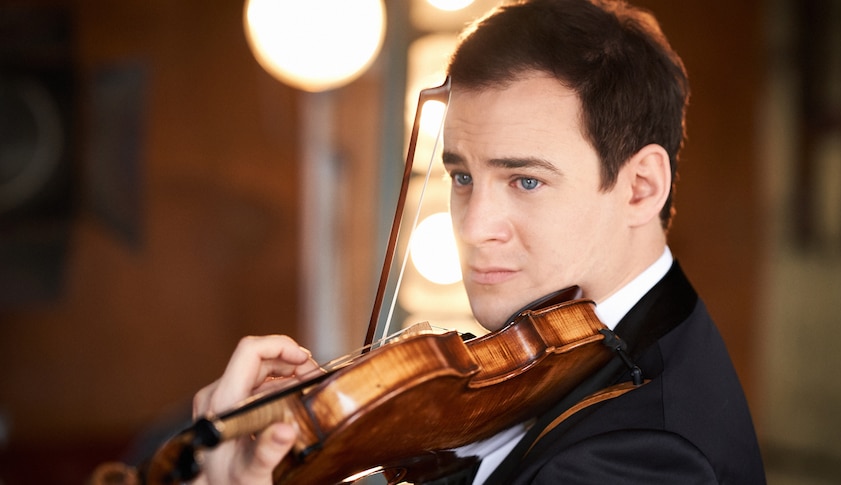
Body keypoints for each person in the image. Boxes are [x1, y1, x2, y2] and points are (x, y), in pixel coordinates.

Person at [191, 0, 766, 483]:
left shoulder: (647, 459)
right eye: (463, 176)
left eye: (526, 180)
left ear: (641, 188)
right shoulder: (556, 351)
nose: (471, 227)